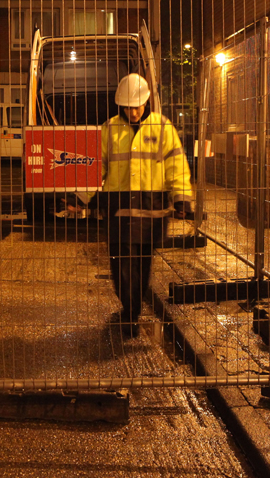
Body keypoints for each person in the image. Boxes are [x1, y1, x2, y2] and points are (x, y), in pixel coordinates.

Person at [76, 73, 192, 337]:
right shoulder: (109, 129)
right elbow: (96, 166)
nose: (133, 111)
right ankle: (130, 311)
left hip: (152, 211)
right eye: (128, 107)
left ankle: (133, 308)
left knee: (142, 263)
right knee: (121, 264)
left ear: (146, 102)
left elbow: (176, 165)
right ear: (120, 106)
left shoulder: (163, 128)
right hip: (120, 211)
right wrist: (79, 197)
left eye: (137, 106)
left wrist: (182, 198)